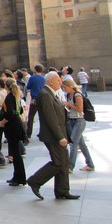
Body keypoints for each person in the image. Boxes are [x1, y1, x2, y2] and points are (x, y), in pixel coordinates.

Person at [26, 72, 80, 200]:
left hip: (58, 134)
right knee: (58, 162)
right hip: (53, 135)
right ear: (50, 81)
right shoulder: (45, 94)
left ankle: (62, 191)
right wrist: (60, 137)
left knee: (64, 162)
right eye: (58, 81)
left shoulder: (50, 93)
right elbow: (50, 118)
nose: (60, 83)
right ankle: (35, 181)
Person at [0, 78, 27, 186]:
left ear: (6, 86)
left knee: (16, 154)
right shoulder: (17, 96)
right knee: (16, 153)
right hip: (17, 123)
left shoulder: (9, 97)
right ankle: (17, 176)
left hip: (12, 126)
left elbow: (9, 113)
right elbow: (19, 111)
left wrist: (3, 122)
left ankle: (20, 178)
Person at [62, 79, 95, 172]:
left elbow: (80, 109)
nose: (64, 89)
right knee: (82, 144)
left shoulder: (77, 95)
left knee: (73, 143)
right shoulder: (68, 95)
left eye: (65, 87)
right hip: (71, 120)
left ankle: (70, 166)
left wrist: (68, 104)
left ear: (70, 86)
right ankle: (90, 164)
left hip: (79, 121)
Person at [26, 64, 46, 138]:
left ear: (35, 70)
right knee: (42, 117)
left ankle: (29, 133)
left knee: (31, 117)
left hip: (34, 99)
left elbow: (28, 87)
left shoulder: (32, 78)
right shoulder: (44, 78)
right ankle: (42, 132)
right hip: (42, 98)